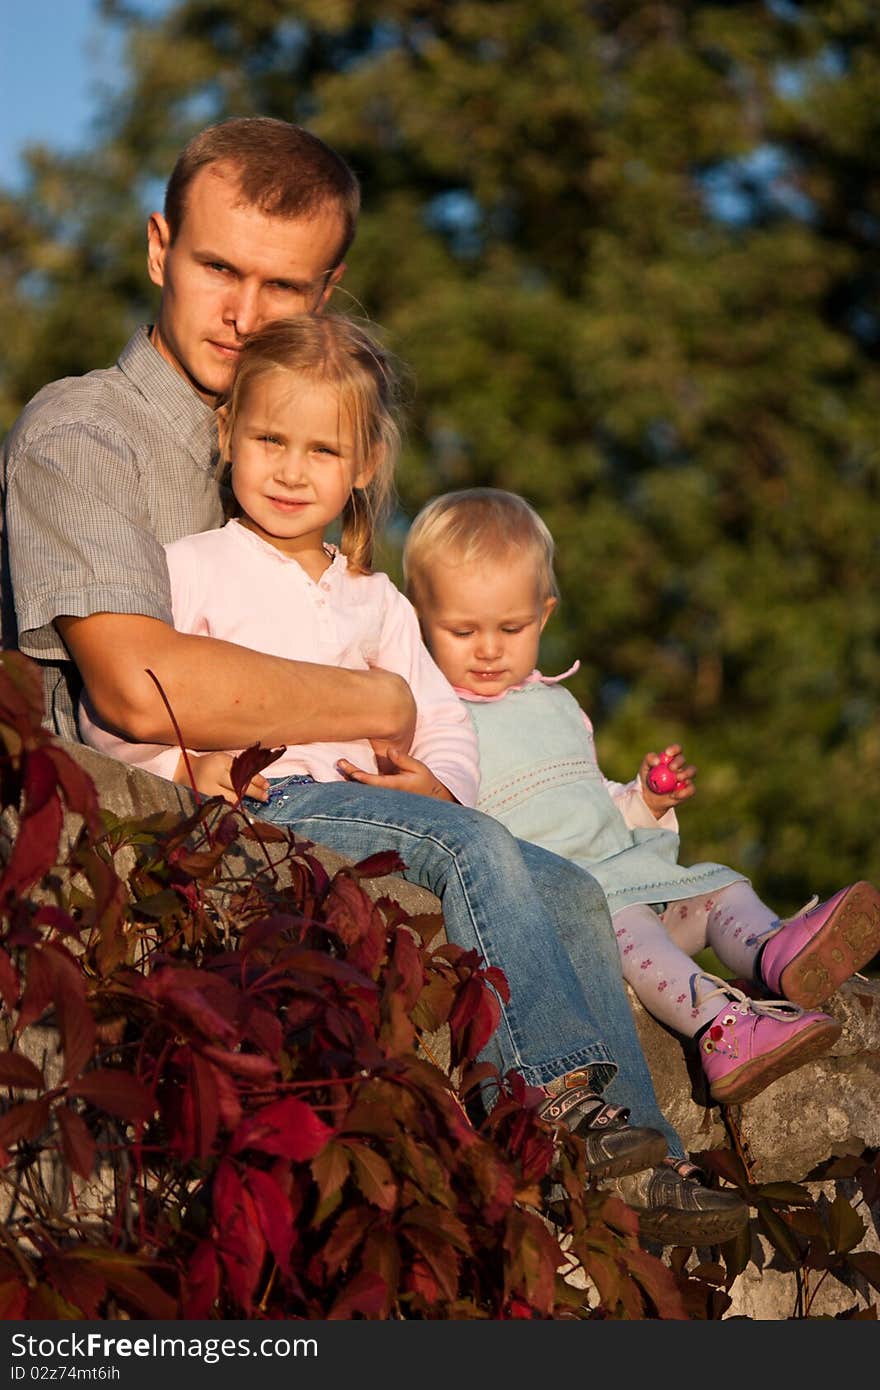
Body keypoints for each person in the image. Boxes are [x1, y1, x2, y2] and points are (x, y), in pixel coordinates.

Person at [1, 117, 747, 1245]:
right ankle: (549, 1107)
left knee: (571, 887)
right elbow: (139, 687)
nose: (244, 313)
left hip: (341, 825)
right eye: (216, 268)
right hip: (161, 863)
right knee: (474, 854)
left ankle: (649, 1168)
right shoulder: (84, 436)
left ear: (330, 290)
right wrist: (381, 705)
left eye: (281, 285)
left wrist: (435, 757)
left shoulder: (304, 458)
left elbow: (417, 666)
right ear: (158, 248)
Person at [401, 487, 880, 1109]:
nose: (489, 648)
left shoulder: (557, 704)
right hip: (576, 907)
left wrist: (646, 803)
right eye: (462, 630)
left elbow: (589, 803)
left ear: (544, 616)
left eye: (511, 628)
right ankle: (721, 1027)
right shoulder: (434, 715)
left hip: (632, 876)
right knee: (629, 928)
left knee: (718, 886)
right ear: (418, 621)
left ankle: (774, 951)